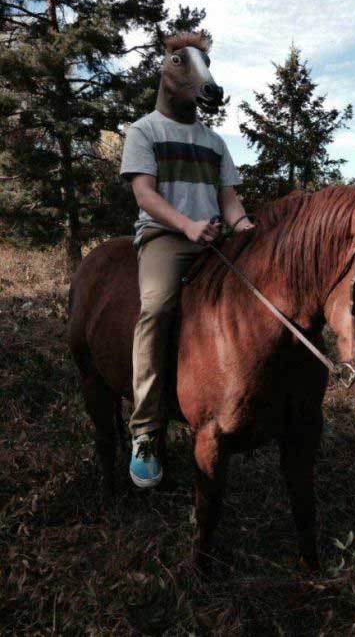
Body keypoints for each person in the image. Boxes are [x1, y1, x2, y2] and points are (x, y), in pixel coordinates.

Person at [120, 31, 253, 488]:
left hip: (214, 239)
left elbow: (230, 200)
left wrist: (245, 229)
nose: (201, 76)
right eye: (184, 62)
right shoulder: (144, 131)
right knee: (155, 309)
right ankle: (145, 431)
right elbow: (144, 194)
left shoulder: (215, 142)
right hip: (165, 237)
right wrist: (187, 225)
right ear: (167, 69)